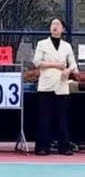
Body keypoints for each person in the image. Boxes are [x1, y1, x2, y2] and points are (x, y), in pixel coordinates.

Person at [33, 17, 78, 156]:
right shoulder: (42, 44)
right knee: (44, 118)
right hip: (46, 85)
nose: (55, 26)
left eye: (58, 24)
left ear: (63, 29)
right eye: (53, 24)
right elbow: (37, 62)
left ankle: (64, 146)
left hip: (62, 85)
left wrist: (68, 71)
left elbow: (73, 64)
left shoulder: (67, 46)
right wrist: (56, 65)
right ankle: (42, 147)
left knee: (62, 118)